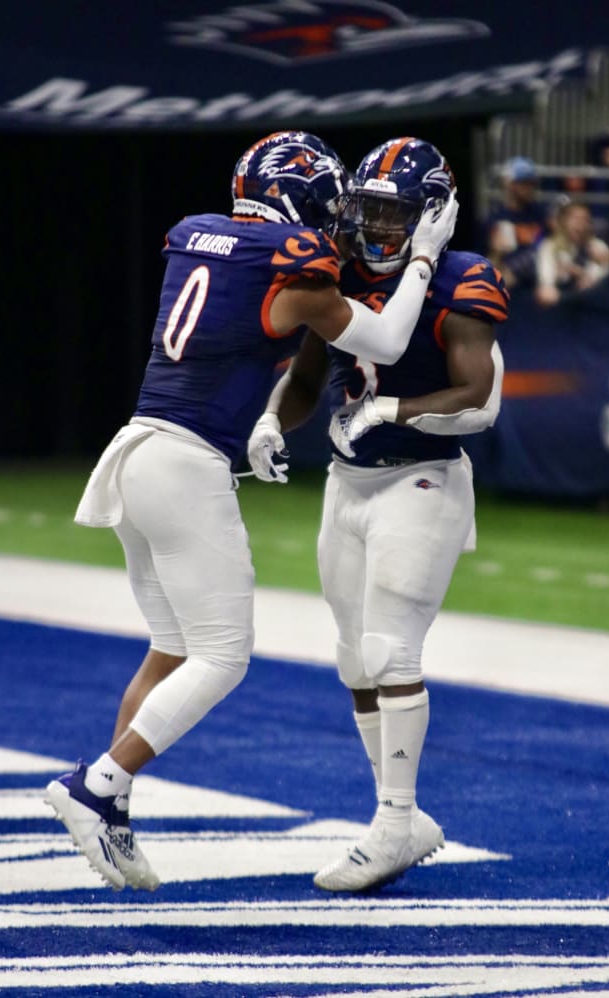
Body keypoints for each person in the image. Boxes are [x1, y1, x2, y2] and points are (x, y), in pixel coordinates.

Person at [44, 130, 460, 892]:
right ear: (302, 198)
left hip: (136, 447)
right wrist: (426, 254)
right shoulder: (291, 267)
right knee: (223, 656)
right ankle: (97, 784)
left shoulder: (201, 239)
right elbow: (392, 338)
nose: (341, 219)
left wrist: (270, 417)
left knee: (172, 647)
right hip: (186, 465)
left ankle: (113, 809)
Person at [247, 136, 509, 892]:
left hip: (422, 479)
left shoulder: (462, 277)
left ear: (434, 216)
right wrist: (272, 420)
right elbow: (307, 369)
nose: (378, 232)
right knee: (353, 657)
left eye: (397, 216)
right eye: (368, 213)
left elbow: (479, 401)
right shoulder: (339, 269)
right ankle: (398, 815)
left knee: (392, 652)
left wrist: (393, 407)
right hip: (349, 483)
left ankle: (396, 821)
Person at [534, 198, 609, 307]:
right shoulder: (550, 246)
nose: (580, 224)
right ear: (564, 221)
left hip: (592, 304)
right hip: (561, 302)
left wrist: (580, 273)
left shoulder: (598, 246)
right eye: (575, 218)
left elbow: (600, 278)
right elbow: (546, 282)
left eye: (585, 219)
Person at [485, 156, 548, 291]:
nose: (529, 188)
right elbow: (484, 257)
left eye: (532, 184)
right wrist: (497, 254)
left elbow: (545, 246)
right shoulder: (494, 218)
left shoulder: (540, 214)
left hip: (535, 283)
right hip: (506, 286)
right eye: (523, 183)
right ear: (509, 184)